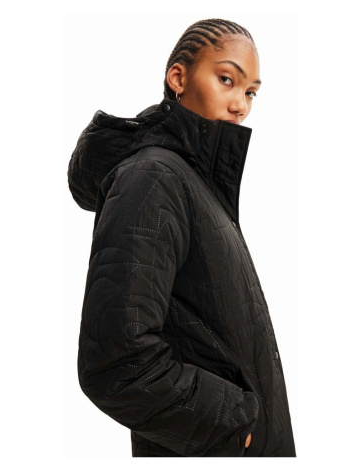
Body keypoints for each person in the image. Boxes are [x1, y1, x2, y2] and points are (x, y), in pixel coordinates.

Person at [67, 18, 296, 457]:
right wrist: (237, 426)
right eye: (226, 79)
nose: (240, 105)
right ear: (178, 77)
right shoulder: (153, 178)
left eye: (251, 92)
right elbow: (117, 362)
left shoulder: (196, 183)